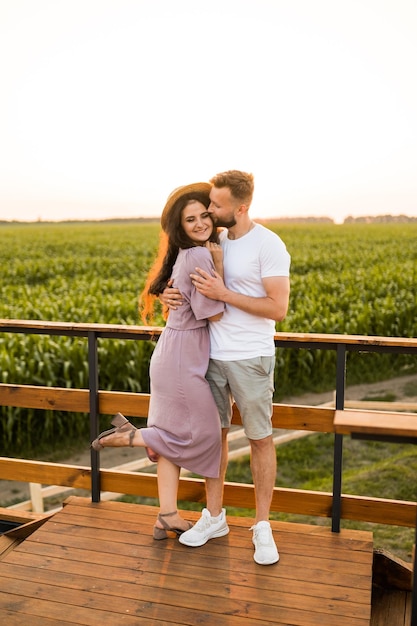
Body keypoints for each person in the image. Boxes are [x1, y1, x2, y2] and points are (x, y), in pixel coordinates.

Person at [160, 170, 290, 565]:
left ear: (241, 206)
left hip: (251, 358)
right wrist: (169, 294)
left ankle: (262, 526)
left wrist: (224, 294)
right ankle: (214, 517)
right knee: (212, 439)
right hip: (209, 357)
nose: (210, 211)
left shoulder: (269, 244)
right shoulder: (212, 239)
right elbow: (185, 277)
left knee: (259, 439)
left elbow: (278, 308)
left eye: (216, 205)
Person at [91, 182, 226, 541]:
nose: (200, 224)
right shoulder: (199, 256)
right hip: (183, 361)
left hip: (171, 354)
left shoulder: (182, 255)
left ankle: (167, 515)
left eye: (203, 215)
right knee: (208, 435)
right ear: (180, 227)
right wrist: (220, 266)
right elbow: (213, 313)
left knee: (170, 438)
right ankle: (132, 437)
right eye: (190, 219)